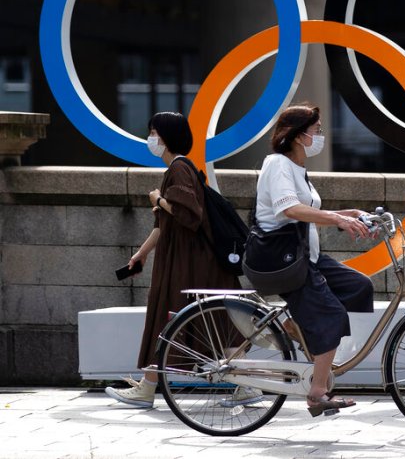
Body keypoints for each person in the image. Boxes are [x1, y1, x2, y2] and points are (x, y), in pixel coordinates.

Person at [105, 112, 246, 408]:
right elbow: (163, 225)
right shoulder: (180, 168)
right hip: (191, 259)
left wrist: (158, 200)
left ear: (166, 137)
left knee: (168, 317)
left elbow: (187, 214)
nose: (151, 139)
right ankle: (243, 385)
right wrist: (141, 254)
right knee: (215, 321)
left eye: (153, 132)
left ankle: (148, 387)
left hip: (189, 262)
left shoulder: (179, 169)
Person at [255, 103, 374, 417]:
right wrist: (336, 217)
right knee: (332, 317)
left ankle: (307, 330)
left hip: (308, 255)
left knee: (359, 285)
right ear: (297, 135)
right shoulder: (277, 164)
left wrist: (349, 214)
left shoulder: (296, 167)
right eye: (316, 130)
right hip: (284, 260)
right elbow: (288, 209)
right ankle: (317, 393)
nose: (320, 135)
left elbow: (308, 211)